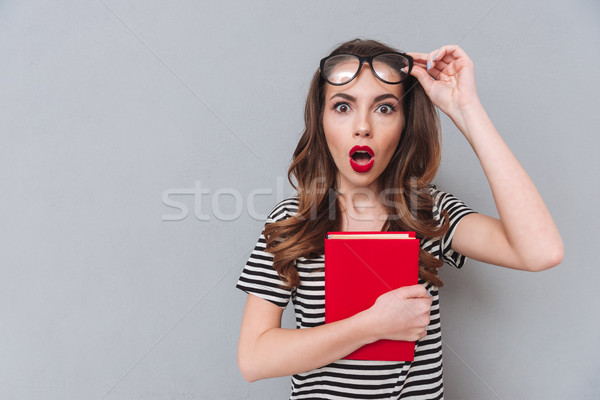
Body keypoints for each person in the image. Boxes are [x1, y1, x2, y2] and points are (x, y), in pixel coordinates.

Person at [235, 38, 563, 399]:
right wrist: (371, 325)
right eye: (342, 106)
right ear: (321, 121)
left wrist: (466, 108)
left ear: (406, 123)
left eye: (385, 108)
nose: (363, 127)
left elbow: (541, 251)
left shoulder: (429, 213)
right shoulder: (291, 221)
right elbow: (254, 358)